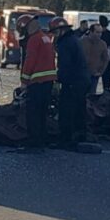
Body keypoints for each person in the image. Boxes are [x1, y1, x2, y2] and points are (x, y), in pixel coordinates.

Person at [48, 17, 91, 150]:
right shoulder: (74, 40)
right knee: (79, 109)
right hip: (82, 80)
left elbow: (64, 65)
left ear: (61, 30)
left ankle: (65, 139)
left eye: (55, 33)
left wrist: (58, 79)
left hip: (72, 82)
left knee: (66, 110)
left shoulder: (65, 43)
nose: (54, 36)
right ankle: (80, 136)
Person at [18, 15, 57, 150]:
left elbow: (30, 60)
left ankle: (34, 142)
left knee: (33, 112)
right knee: (42, 112)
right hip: (48, 81)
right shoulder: (45, 37)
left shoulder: (34, 40)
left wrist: (24, 81)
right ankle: (41, 139)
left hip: (37, 81)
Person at [80, 23, 110, 94]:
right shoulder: (82, 42)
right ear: (91, 32)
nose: (99, 34)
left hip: (94, 75)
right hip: (82, 74)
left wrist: (100, 71)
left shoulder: (103, 44)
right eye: (97, 32)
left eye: (100, 33)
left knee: (92, 95)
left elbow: (105, 59)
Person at [99, 15, 110, 91]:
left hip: (104, 57)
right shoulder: (97, 33)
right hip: (97, 56)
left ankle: (106, 90)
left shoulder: (108, 34)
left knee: (108, 74)